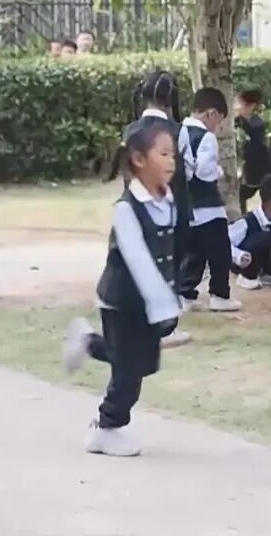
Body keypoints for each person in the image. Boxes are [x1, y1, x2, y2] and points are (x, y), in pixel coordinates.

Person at [63, 122, 182, 457]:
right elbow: (138, 259)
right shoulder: (126, 209)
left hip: (147, 303)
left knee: (141, 361)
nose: (171, 161)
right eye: (163, 154)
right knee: (129, 370)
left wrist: (173, 295)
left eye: (173, 154)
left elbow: (167, 253)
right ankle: (106, 427)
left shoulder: (168, 200)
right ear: (139, 160)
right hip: (121, 300)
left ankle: (87, 342)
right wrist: (163, 305)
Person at [109, 70, 192, 347]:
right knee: (169, 265)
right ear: (171, 99)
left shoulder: (130, 130)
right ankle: (165, 329)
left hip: (137, 205)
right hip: (169, 206)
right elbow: (185, 171)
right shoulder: (177, 131)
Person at [178, 87, 241, 312]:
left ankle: (185, 293)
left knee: (194, 253)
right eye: (219, 121)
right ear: (211, 114)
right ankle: (220, 294)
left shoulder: (178, 132)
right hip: (209, 207)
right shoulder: (206, 137)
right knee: (220, 252)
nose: (218, 127)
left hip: (186, 205)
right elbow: (204, 171)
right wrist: (218, 171)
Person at [236, 89, 271, 213]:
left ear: (252, 106)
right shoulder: (237, 122)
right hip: (250, 168)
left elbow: (255, 141)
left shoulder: (257, 123)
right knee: (239, 195)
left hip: (262, 167)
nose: (237, 107)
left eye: (241, 103)